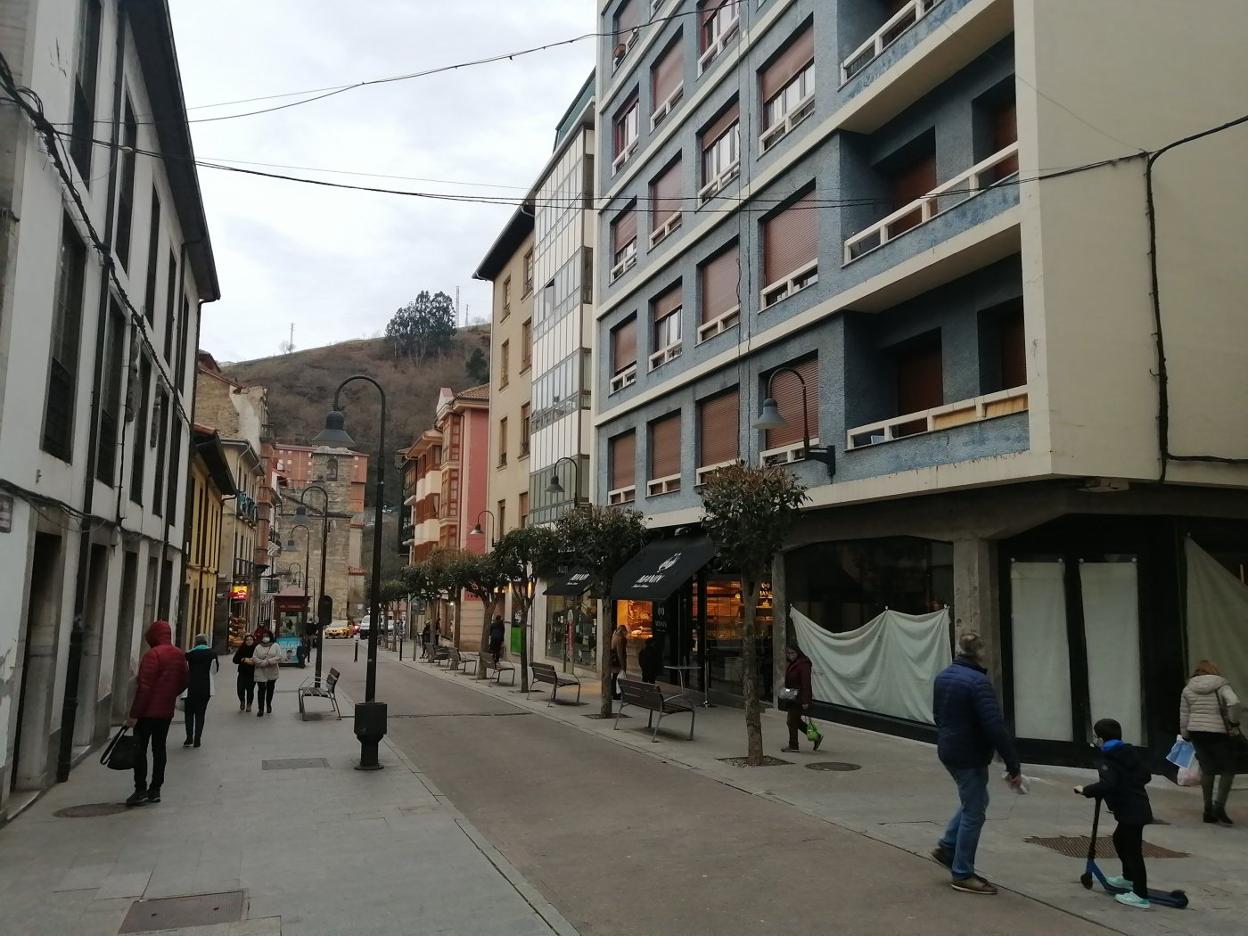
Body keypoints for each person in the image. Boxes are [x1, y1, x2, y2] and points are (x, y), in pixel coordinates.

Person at [931, 632, 1021, 895]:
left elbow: (938, 714)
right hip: (969, 754)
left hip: (950, 748)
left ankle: (948, 846)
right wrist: (1013, 764)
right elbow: (995, 727)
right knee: (974, 810)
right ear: (980, 653)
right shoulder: (978, 683)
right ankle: (962, 872)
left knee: (976, 801)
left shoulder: (944, 676)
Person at [1074, 718, 1154, 909]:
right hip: (1137, 806)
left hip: (1130, 810)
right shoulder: (1127, 751)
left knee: (1133, 851)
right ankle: (1128, 878)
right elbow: (1145, 775)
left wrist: (1085, 790)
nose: (1094, 740)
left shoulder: (1108, 758)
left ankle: (1140, 894)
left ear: (1101, 739)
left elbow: (1107, 784)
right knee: (1119, 839)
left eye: (1095, 736)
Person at [125, 620, 188, 806]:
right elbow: (184, 681)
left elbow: (144, 688)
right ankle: (156, 789)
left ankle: (140, 789)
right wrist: (169, 695)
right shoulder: (178, 654)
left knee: (140, 749)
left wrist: (134, 714)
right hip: (165, 712)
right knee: (159, 749)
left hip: (146, 712)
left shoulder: (152, 655)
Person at [1180, 659, 1241, 826]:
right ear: (1213, 670)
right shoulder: (1221, 685)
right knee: (1228, 769)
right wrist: (1234, 722)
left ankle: (1207, 809)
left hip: (1197, 733)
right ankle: (1219, 806)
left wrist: (1185, 734)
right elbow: (1234, 702)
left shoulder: (1188, 688)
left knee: (1208, 770)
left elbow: (1184, 714)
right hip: (1218, 733)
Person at [781, 646, 819, 753]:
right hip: (792, 696)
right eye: (788, 653)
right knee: (795, 721)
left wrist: (806, 701)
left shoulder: (803, 665)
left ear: (797, 652)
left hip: (799, 697)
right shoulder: (792, 663)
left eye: (792, 653)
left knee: (791, 721)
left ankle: (793, 745)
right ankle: (816, 737)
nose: (790, 655)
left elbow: (806, 683)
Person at [183, 634, 218, 748]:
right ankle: (197, 739)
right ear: (206, 642)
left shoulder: (188, 654)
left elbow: (184, 669)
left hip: (190, 687)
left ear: (196, 643)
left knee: (189, 713)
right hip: (205, 687)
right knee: (200, 713)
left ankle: (189, 737)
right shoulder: (212, 654)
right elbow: (214, 670)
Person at [251, 629, 282, 717]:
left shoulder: (275, 645)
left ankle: (268, 704)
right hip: (260, 670)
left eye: (267, 636)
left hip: (272, 670)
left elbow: (279, 657)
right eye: (264, 636)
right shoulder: (258, 647)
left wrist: (268, 661)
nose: (265, 638)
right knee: (261, 689)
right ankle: (260, 708)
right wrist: (262, 663)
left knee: (270, 688)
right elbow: (254, 657)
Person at [233, 634, 256, 711]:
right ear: (245, 641)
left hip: (252, 673)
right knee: (240, 688)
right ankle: (242, 701)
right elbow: (235, 660)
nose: (249, 641)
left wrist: (253, 661)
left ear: (253, 641)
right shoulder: (241, 649)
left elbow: (260, 659)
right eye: (247, 640)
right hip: (242, 672)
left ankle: (249, 704)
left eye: (251, 640)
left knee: (250, 690)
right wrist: (243, 659)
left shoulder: (256, 649)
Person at [610, 625, 628, 700]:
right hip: (618, 661)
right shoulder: (620, 639)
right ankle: (617, 694)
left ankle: (614, 693)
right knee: (618, 677)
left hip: (613, 660)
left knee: (614, 677)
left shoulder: (614, 636)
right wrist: (623, 664)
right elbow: (620, 653)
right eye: (625, 631)